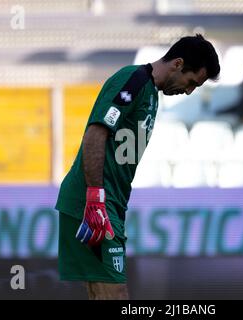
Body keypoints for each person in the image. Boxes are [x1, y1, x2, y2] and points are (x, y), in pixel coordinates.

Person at [55, 34, 220, 300]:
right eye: (191, 83)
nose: (189, 91)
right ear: (178, 64)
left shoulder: (152, 95)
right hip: (93, 204)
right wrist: (95, 197)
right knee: (116, 294)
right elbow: (96, 132)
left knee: (102, 294)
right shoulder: (133, 80)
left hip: (109, 204)